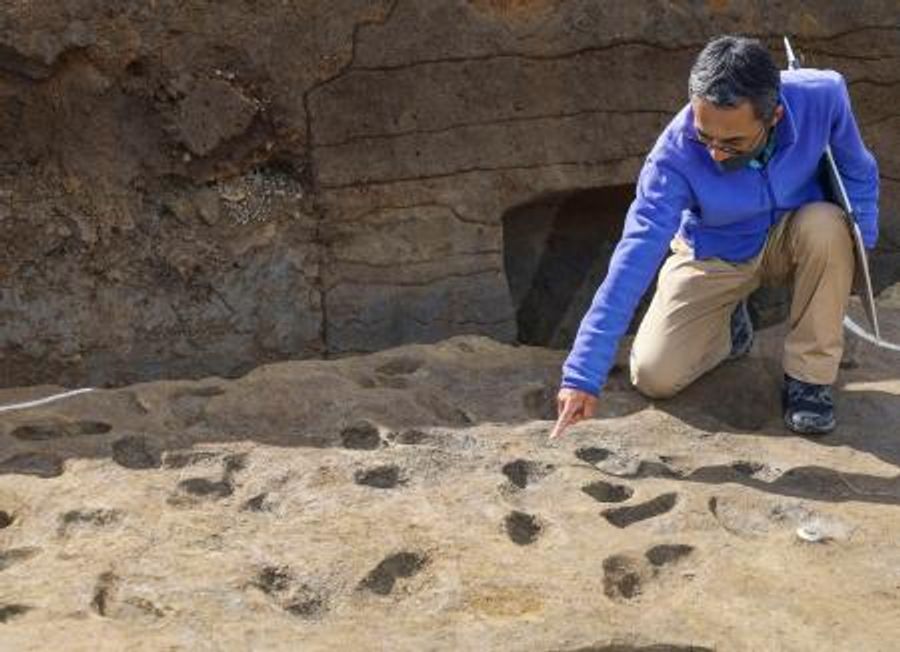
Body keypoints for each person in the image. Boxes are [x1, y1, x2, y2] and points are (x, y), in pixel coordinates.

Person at [550, 35, 879, 439]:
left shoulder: (823, 95)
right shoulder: (672, 156)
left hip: (797, 234)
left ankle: (810, 380)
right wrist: (583, 374)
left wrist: (860, 245)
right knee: (655, 375)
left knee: (831, 226)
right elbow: (633, 255)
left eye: (733, 142)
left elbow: (858, 171)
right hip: (714, 251)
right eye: (705, 137)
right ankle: (728, 329)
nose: (716, 154)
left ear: (773, 115)